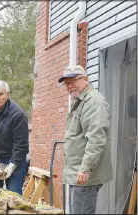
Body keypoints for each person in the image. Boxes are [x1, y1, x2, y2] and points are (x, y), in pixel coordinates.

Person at [58, 65, 112, 214]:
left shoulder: (93, 102)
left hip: (84, 176)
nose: (70, 86)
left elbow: (96, 140)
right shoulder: (81, 101)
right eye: (67, 83)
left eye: (73, 81)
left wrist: (85, 169)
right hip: (77, 174)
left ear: (85, 79)